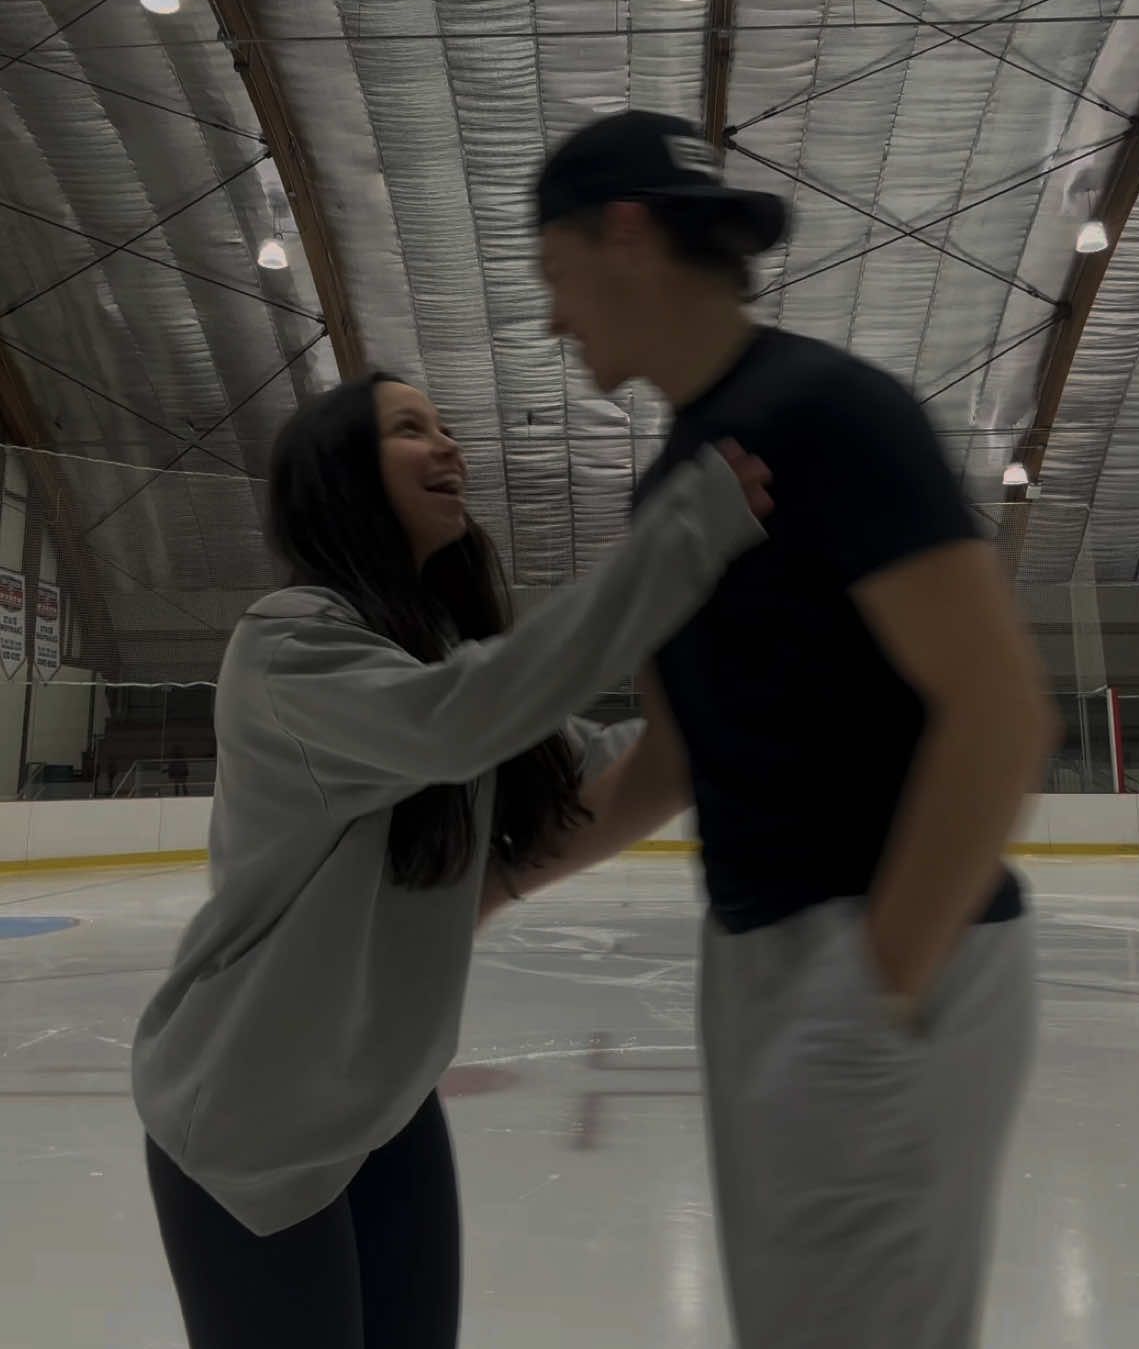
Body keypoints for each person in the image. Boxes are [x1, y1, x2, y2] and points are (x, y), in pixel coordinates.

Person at [515, 109, 1060, 1349]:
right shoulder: (672, 480)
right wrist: (491, 886)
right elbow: (671, 757)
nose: (553, 318)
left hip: (892, 950)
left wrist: (878, 989)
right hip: (762, 958)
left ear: (626, 233)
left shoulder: (829, 413)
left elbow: (998, 710)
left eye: (553, 274)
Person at [132, 371, 770, 1349]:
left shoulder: (431, 653)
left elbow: (581, 797)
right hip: (250, 1121)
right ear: (342, 475)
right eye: (409, 430)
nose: (448, 448)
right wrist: (673, 550)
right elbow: (459, 723)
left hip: (383, 1104)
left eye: (445, 425)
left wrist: (706, 666)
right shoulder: (290, 646)